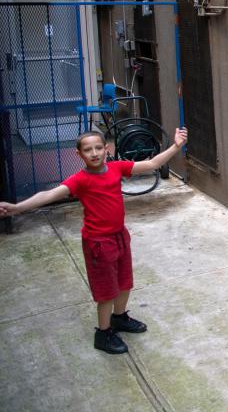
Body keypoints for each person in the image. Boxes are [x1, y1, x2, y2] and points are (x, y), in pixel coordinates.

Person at [0, 127, 188, 355]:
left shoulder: (117, 168)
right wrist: (17, 208)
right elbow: (49, 195)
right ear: (78, 155)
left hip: (119, 236)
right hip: (98, 243)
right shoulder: (80, 180)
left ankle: (119, 318)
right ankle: (104, 332)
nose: (94, 153)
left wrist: (176, 145)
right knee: (106, 291)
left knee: (124, 282)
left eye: (98, 148)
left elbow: (151, 164)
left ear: (107, 149)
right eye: (87, 150)